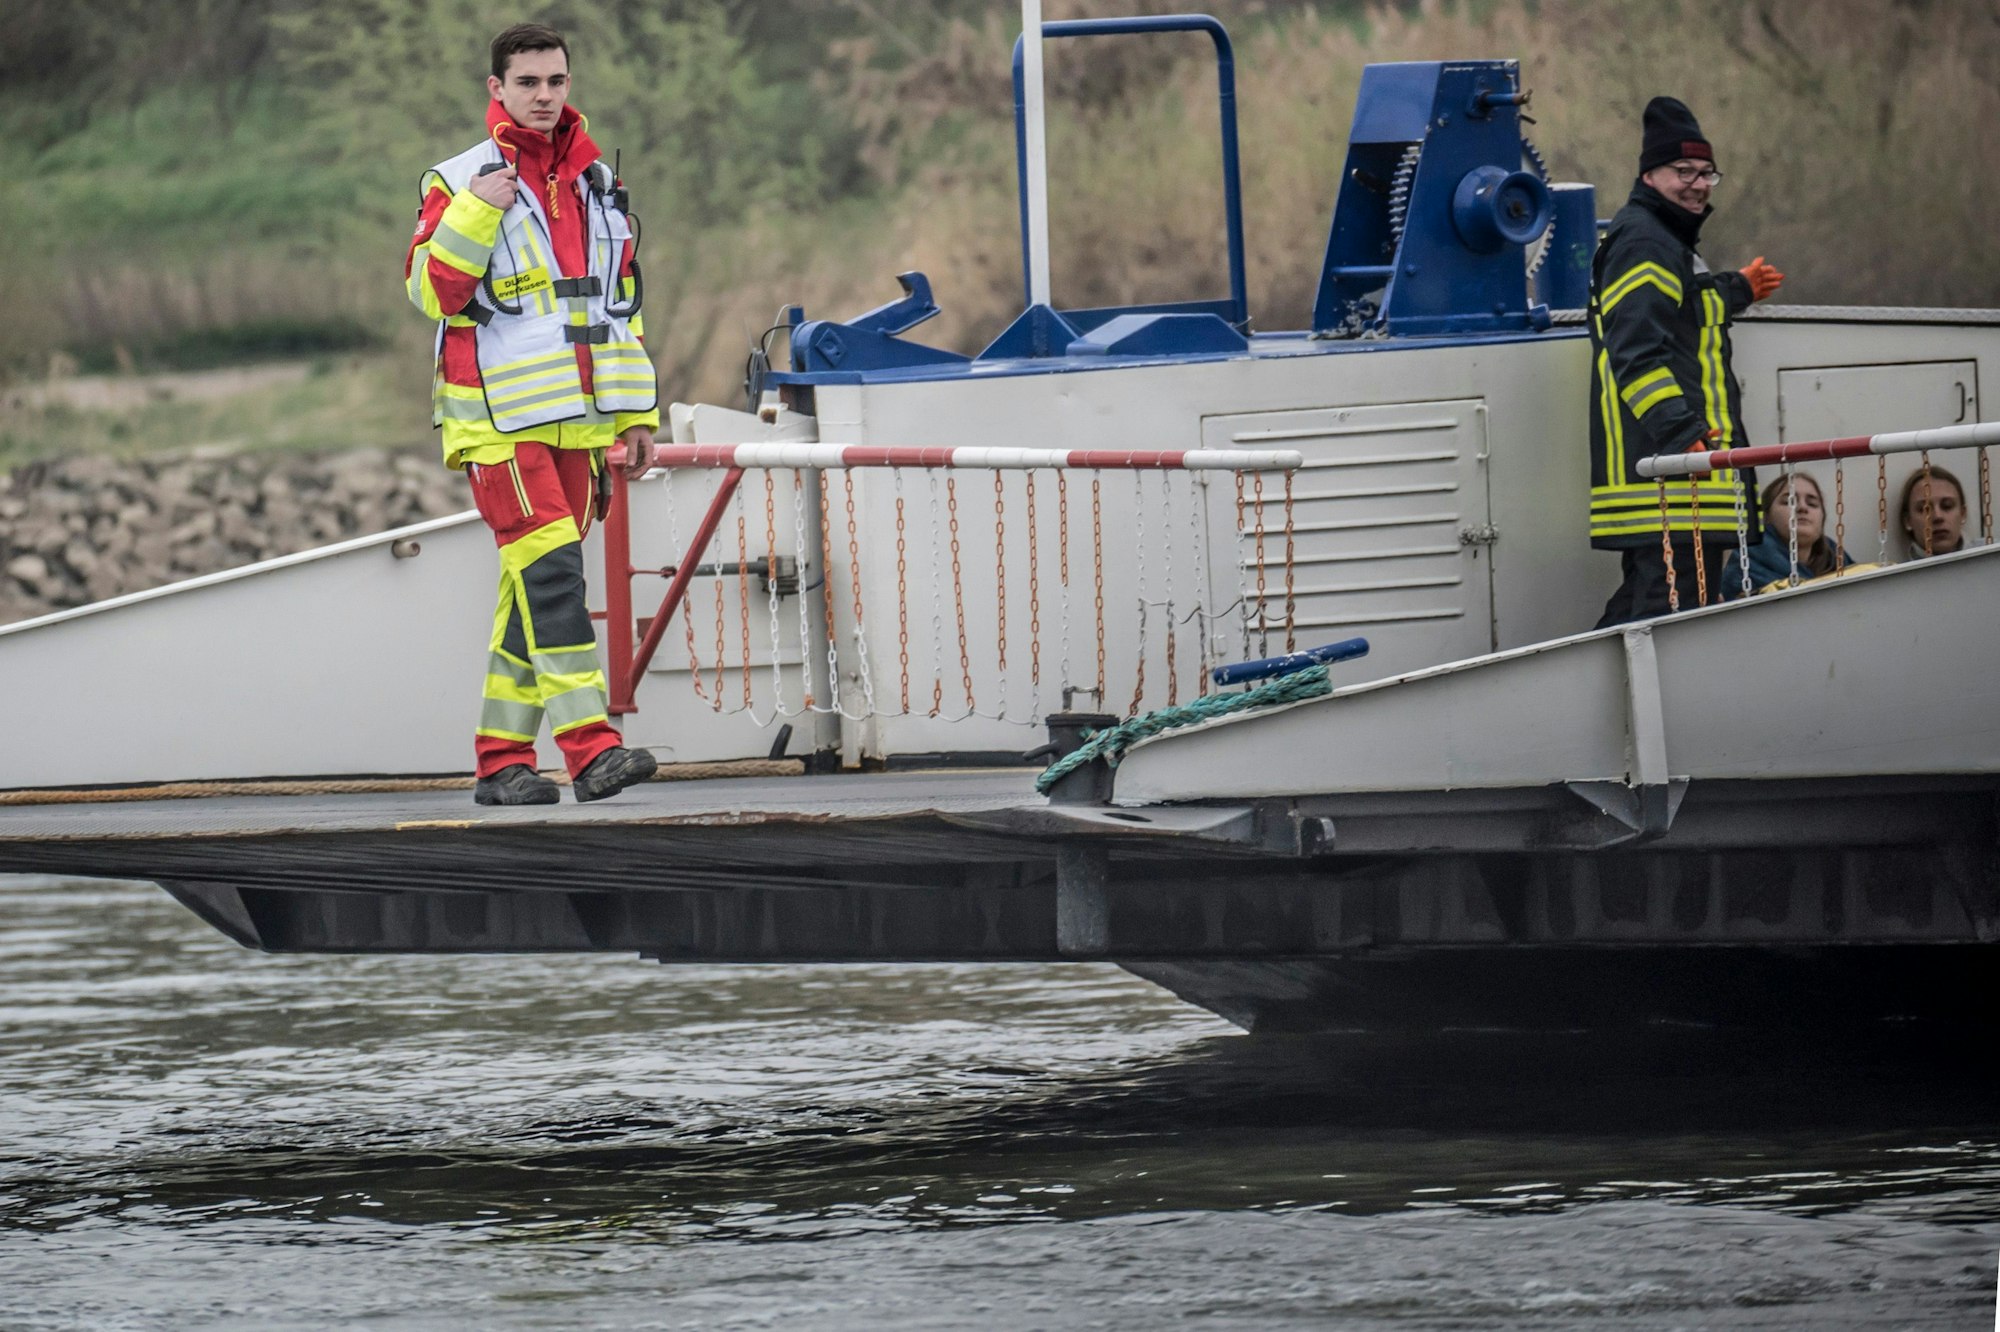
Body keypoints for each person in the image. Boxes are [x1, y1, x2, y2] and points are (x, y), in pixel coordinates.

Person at [404, 23, 661, 805]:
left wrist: (634, 416)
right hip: (496, 423)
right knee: (553, 575)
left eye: (556, 81)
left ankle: (502, 763)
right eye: (528, 84)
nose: (544, 96)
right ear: (497, 90)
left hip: (579, 423)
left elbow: (621, 309)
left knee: (529, 595)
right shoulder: (458, 180)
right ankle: (592, 751)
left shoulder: (598, 184)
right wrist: (477, 212)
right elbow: (430, 294)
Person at [1587, 96, 1785, 627]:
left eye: (1706, 173)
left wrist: (1737, 288)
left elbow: (1679, 315)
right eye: (1683, 171)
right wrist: (1679, 432)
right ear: (1649, 175)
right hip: (1675, 474)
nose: (1698, 184)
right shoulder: (1645, 240)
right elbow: (1635, 348)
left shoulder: (1663, 240)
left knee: (1650, 613)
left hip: (1685, 475)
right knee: (1668, 623)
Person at [1718, 471, 1856, 597]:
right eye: (1789, 501)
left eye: (1812, 504)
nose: (1802, 508)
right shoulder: (1744, 569)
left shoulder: (1842, 566)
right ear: (1766, 517)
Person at [1897, 464, 1968, 559]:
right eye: (1925, 509)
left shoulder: (1991, 558)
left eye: (1947, 506)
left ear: (1962, 514)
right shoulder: (1898, 573)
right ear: (1908, 521)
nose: (1938, 516)